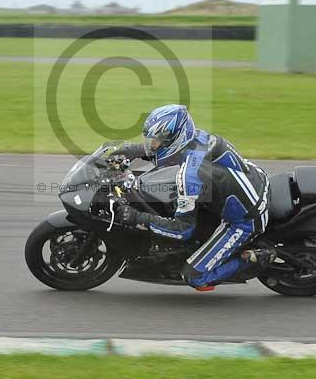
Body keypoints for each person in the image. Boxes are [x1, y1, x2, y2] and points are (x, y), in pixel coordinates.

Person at [107, 104, 274, 290]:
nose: (152, 145)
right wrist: (127, 153)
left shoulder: (190, 176)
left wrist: (137, 217)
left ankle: (256, 258)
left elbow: (182, 230)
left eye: (156, 141)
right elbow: (162, 153)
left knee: (194, 276)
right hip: (254, 179)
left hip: (247, 218)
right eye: (150, 140)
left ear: (175, 139)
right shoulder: (197, 138)